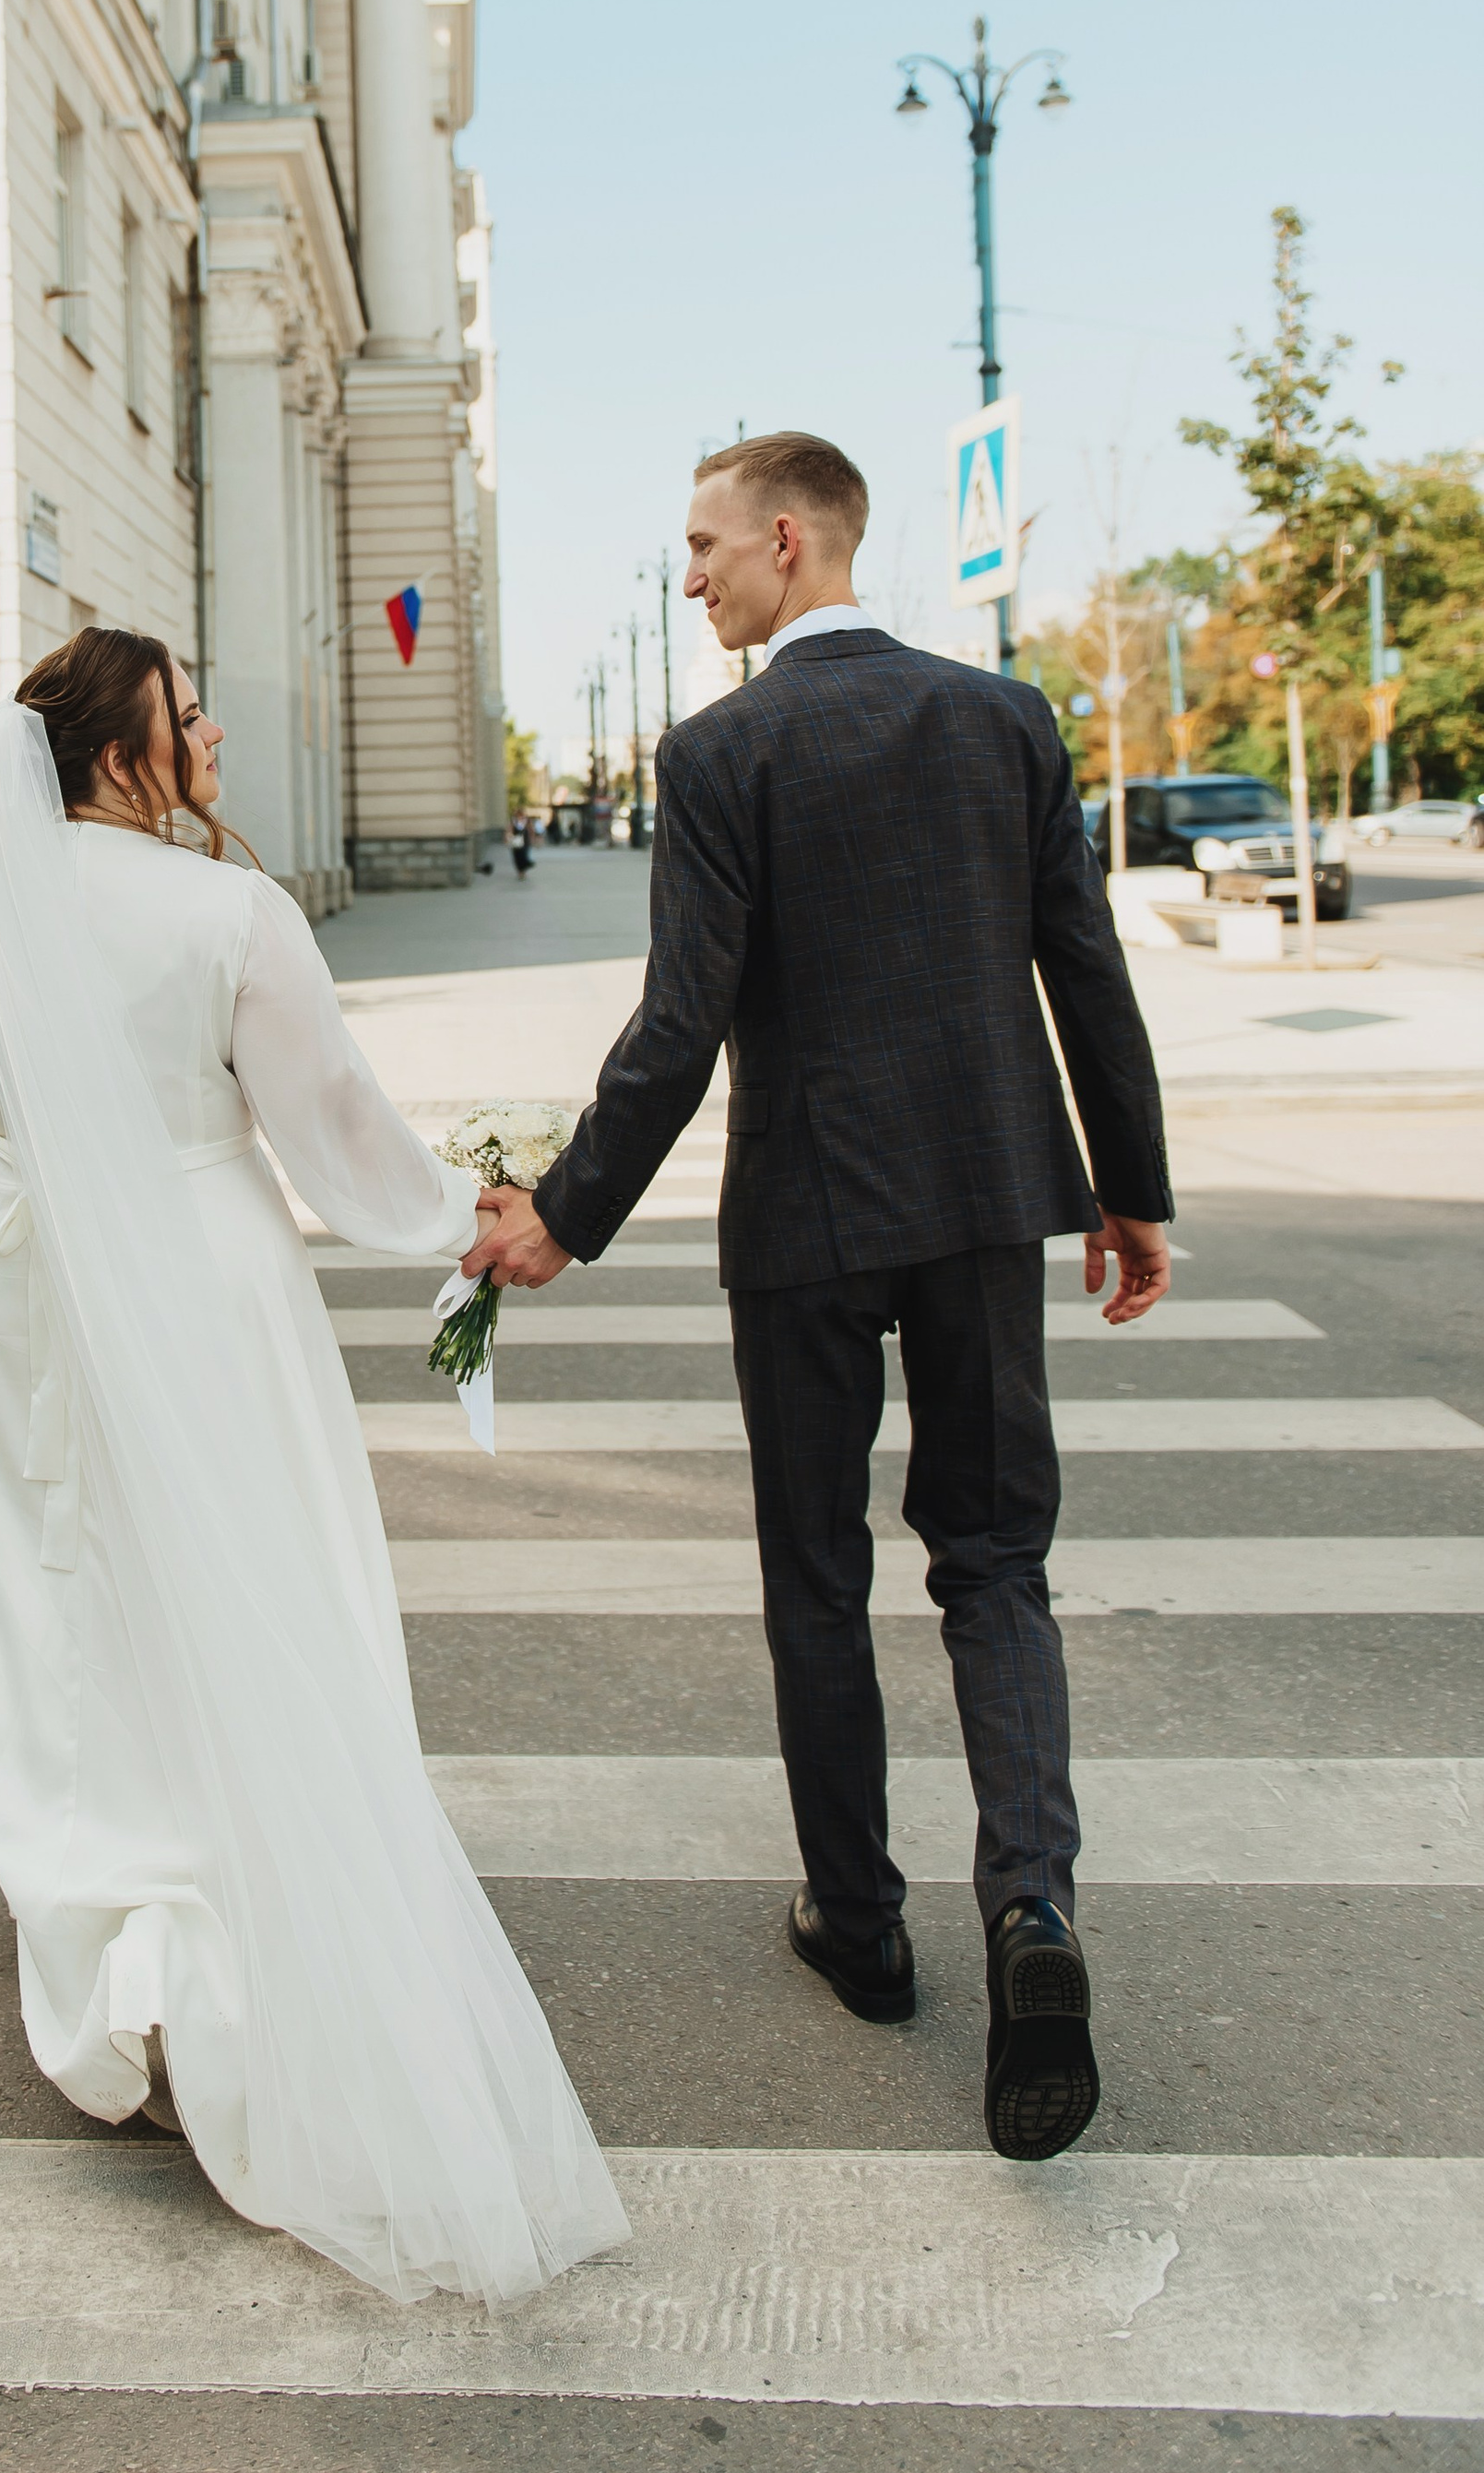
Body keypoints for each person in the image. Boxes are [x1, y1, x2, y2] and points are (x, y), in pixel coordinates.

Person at [0, 627, 626, 2308]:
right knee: (231, 1572)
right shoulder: (232, 914)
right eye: (189, 714)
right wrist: (464, 1219)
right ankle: (206, 1900)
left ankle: (100, 1902)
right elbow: (332, 1131)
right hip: (194, 1272)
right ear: (122, 753)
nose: (216, 732)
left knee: (46, 1592)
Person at [465, 433, 1174, 2164]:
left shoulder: (724, 750)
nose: (690, 575)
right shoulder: (1003, 720)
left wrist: (565, 1215)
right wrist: (1130, 1186)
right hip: (987, 1198)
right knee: (996, 1561)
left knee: (818, 1574)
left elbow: (681, 1020)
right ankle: (1034, 1905)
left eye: (705, 545)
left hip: (804, 1216)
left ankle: (861, 1930)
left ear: (789, 540)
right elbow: (1082, 965)